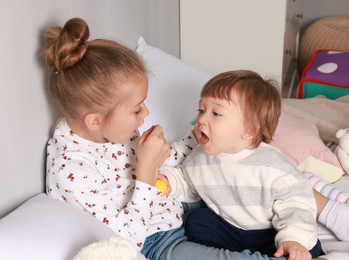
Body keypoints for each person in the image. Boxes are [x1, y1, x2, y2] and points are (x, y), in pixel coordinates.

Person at [43, 18, 284, 260]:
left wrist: (195, 138)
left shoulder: (112, 131)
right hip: (154, 241)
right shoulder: (71, 170)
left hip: (177, 205)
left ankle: (296, 230)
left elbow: (165, 164)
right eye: (137, 109)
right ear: (94, 120)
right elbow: (125, 240)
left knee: (253, 193)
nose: (145, 113)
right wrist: (147, 173)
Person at [159, 70, 327, 260]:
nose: (201, 120)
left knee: (299, 245)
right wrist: (166, 181)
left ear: (249, 130)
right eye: (201, 110)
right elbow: (186, 179)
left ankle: (308, 254)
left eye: (216, 113)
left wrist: (294, 240)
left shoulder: (271, 164)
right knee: (195, 222)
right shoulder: (201, 157)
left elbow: (296, 204)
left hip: (268, 231)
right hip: (230, 227)